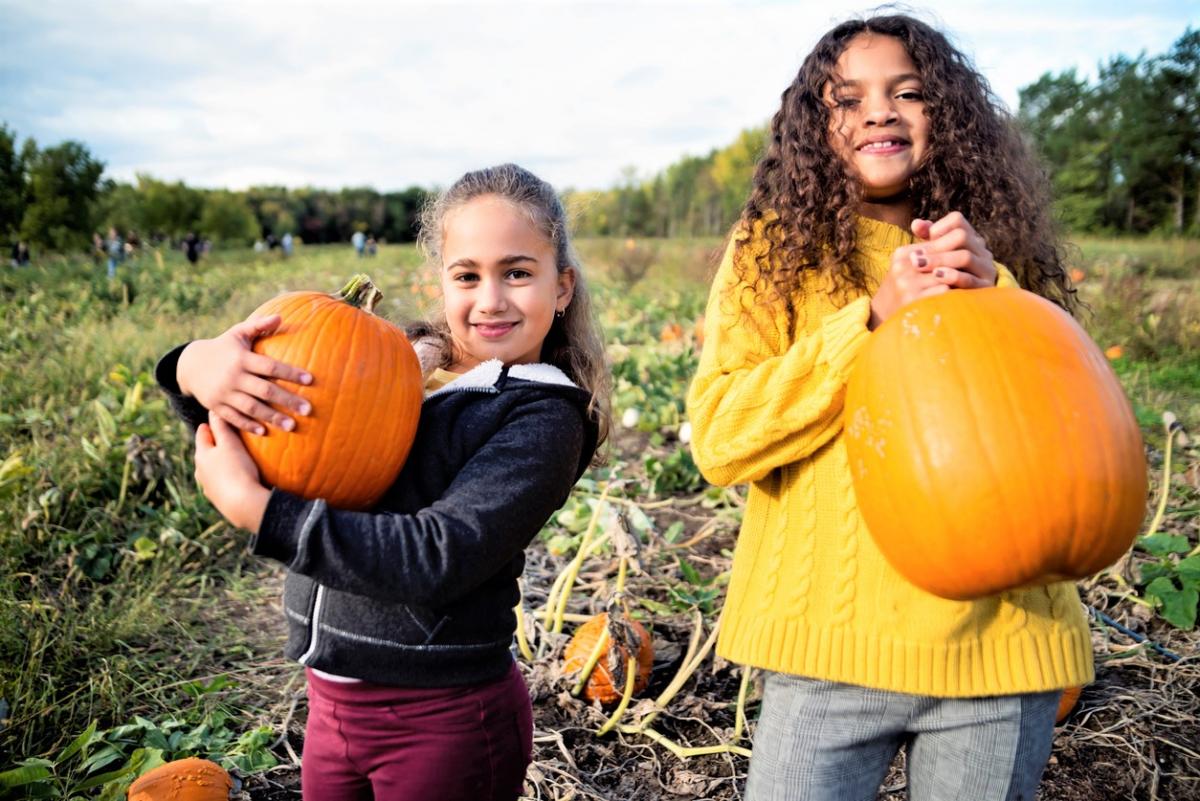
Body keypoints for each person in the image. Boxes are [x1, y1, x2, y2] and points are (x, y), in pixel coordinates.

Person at [685, 14, 1082, 801]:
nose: (879, 111)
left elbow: (1076, 429)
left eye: (909, 91)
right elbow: (721, 436)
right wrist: (869, 323)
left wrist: (997, 288)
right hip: (826, 652)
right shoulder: (772, 249)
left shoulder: (998, 249)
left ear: (949, 114)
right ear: (815, 123)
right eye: (847, 98)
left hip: (1001, 648)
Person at [155, 163, 610, 801]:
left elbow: (440, 554)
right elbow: (275, 431)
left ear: (561, 287)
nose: (490, 299)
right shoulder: (394, 364)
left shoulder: (542, 417)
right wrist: (192, 368)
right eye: (467, 275)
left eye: (517, 272)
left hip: (446, 721)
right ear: (442, 281)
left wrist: (261, 512)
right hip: (330, 705)